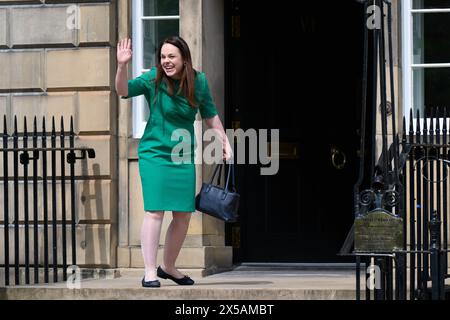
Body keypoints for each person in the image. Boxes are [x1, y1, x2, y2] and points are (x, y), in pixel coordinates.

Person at [115, 36, 232, 288]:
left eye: (171, 57)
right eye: (162, 57)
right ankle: (149, 271)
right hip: (154, 153)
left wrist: (224, 141)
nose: (166, 61)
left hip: (182, 155)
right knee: (155, 211)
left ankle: (168, 266)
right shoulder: (152, 79)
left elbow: (210, 115)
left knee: (183, 215)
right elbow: (123, 90)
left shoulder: (198, 81)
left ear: (184, 58)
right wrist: (122, 66)